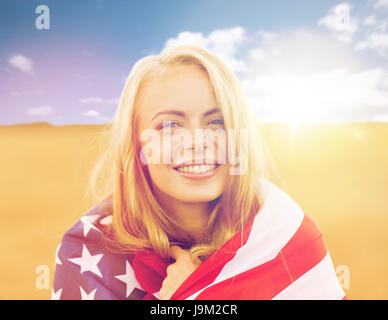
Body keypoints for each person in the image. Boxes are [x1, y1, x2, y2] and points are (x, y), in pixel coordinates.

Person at [51, 44, 346, 300]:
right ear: (136, 143)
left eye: (216, 122)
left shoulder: (289, 237)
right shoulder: (89, 254)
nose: (198, 142)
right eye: (169, 126)